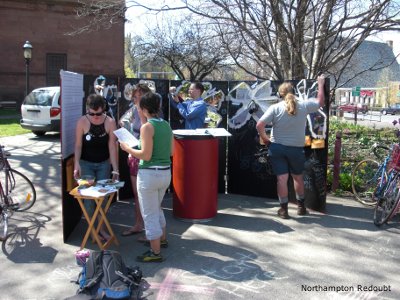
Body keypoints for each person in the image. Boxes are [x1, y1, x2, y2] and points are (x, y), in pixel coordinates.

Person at [256, 75, 325, 219]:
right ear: (292, 92)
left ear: (280, 94)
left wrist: (266, 140)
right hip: (296, 149)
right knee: (298, 178)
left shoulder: (275, 108)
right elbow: (320, 102)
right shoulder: (304, 105)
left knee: (281, 179)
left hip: (277, 148)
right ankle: (301, 207)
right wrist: (320, 84)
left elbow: (259, 125)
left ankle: (284, 210)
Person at [120, 92, 173, 263]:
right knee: (156, 207)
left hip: (149, 174)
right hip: (165, 172)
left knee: (149, 213)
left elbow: (145, 155)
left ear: (143, 109)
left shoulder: (147, 127)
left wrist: (127, 149)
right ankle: (162, 240)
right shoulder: (166, 125)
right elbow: (172, 152)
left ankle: (155, 252)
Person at [74, 94, 119, 239]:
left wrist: (116, 169)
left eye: (98, 114)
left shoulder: (110, 122)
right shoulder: (82, 121)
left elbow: (112, 147)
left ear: (104, 110)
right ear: (87, 110)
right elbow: (78, 145)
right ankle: (93, 230)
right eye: (92, 114)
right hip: (86, 164)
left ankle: (101, 229)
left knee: (102, 199)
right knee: (88, 200)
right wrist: (76, 164)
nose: (95, 117)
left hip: (103, 164)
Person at [119, 84, 151, 237]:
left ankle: (152, 232)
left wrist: (142, 114)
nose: (136, 100)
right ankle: (139, 224)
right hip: (134, 155)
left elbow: (151, 131)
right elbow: (121, 121)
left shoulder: (152, 112)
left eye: (139, 97)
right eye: (134, 97)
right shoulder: (133, 110)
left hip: (147, 157)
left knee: (148, 195)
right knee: (137, 194)